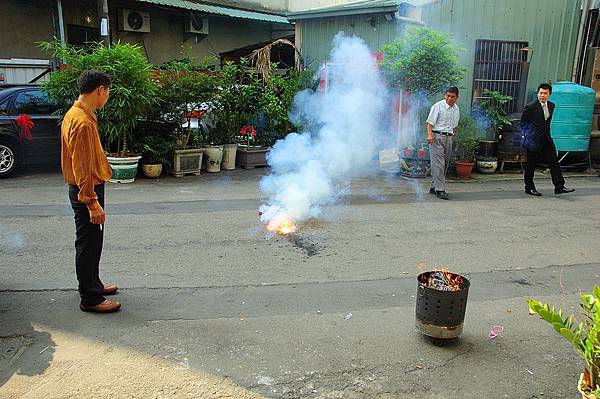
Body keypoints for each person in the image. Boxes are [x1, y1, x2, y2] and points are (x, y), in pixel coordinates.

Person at [62, 70, 121, 313]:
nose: (106, 97)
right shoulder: (83, 122)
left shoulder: (76, 114)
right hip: (86, 189)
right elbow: (82, 166)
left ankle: (93, 284)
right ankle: (90, 297)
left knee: (91, 241)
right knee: (89, 242)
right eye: (107, 92)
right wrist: (91, 202)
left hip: (84, 187)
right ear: (100, 90)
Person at [520, 83, 575, 196]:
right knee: (531, 165)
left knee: (554, 162)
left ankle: (559, 186)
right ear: (537, 93)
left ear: (549, 94)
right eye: (540, 93)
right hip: (533, 140)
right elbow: (523, 123)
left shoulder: (551, 106)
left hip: (547, 139)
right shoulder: (531, 107)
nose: (542, 95)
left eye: (545, 93)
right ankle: (529, 187)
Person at [426, 86, 460, 200]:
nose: (449, 98)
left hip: (448, 137)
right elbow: (429, 123)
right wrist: (430, 135)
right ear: (445, 95)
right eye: (448, 96)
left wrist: (453, 138)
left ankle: (433, 186)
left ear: (457, 98)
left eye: (452, 96)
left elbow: (455, 126)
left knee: (444, 164)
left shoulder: (456, 109)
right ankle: (440, 189)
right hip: (437, 136)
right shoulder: (438, 106)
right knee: (439, 164)